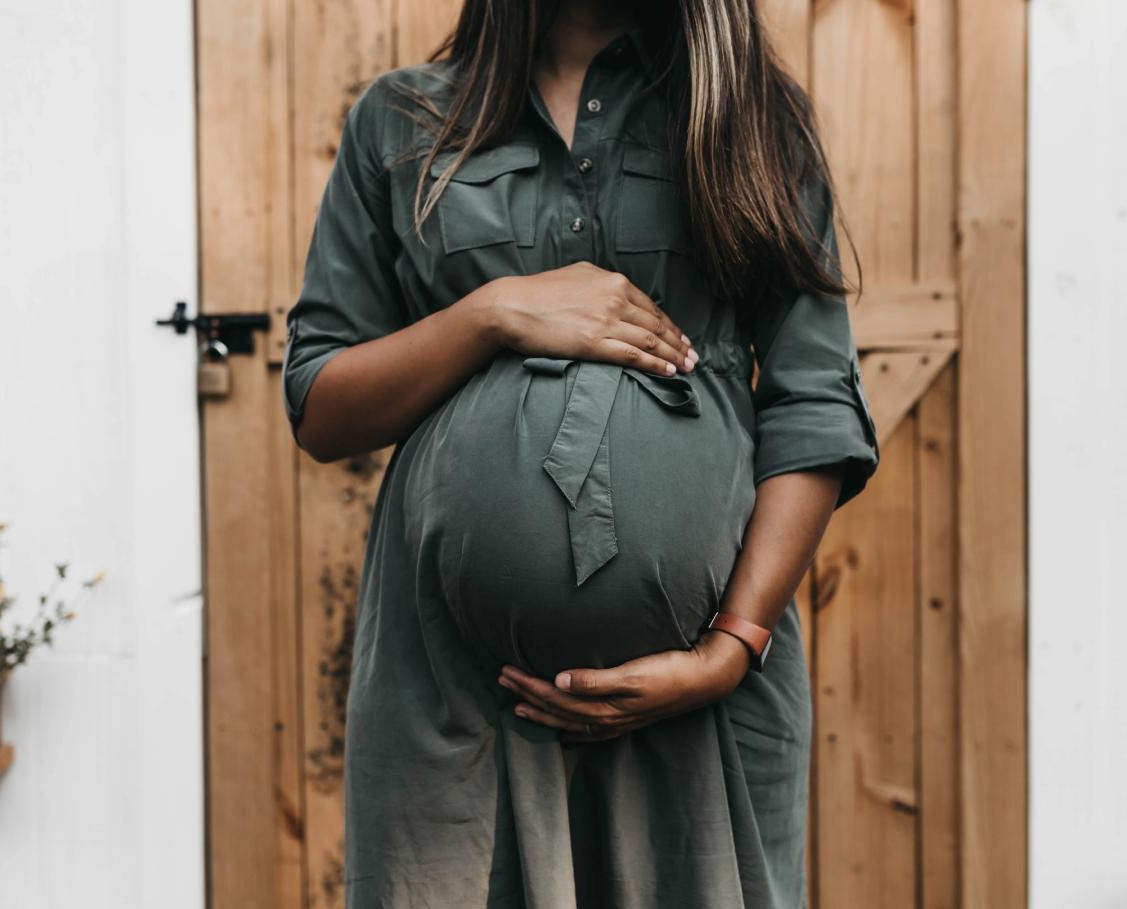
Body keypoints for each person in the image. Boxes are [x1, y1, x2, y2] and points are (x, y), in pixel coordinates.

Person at [280, 0, 880, 905]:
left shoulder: (751, 119)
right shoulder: (400, 122)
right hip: (454, 697)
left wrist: (728, 648)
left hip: (703, 697)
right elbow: (322, 407)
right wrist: (490, 314)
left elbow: (813, 402)